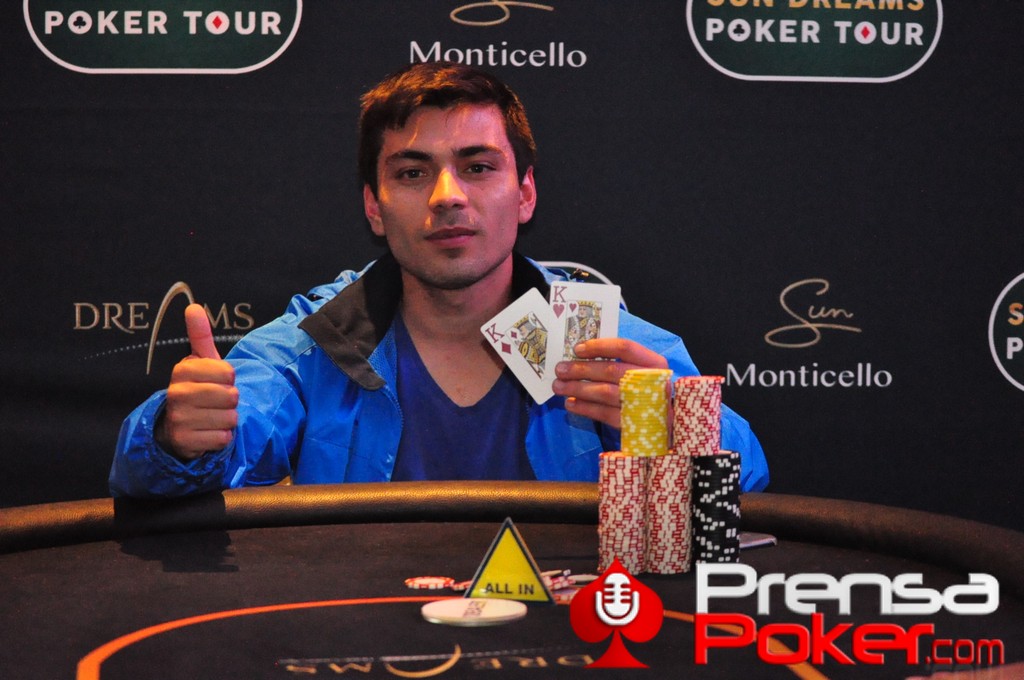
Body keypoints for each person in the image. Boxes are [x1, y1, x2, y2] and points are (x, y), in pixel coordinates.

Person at [109, 62, 769, 498]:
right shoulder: (321, 339)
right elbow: (179, 460)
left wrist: (687, 432)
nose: (447, 196)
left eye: (478, 167)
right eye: (412, 172)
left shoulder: (590, 334)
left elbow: (747, 483)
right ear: (374, 207)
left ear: (525, 194)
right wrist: (176, 437)